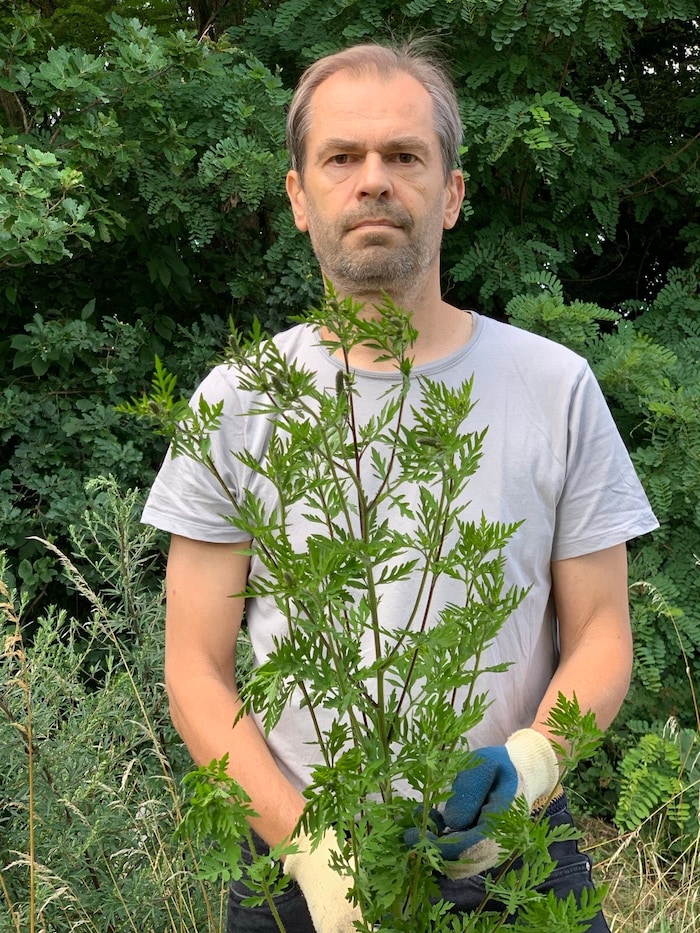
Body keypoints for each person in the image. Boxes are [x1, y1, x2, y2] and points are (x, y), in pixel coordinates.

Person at [142, 41, 659, 933]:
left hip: (516, 856)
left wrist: (535, 759)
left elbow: (604, 628)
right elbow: (193, 665)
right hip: (299, 864)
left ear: (451, 194)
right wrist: (307, 847)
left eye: (405, 156)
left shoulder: (555, 385)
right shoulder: (236, 401)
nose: (373, 180)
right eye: (342, 157)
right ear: (300, 196)